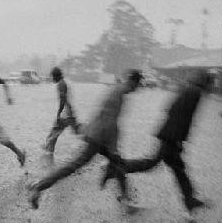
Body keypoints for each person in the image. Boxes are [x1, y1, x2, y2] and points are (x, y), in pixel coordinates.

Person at [27, 69, 144, 209]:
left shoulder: (117, 91)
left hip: (97, 134)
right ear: (133, 82)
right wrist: (114, 149)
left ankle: (125, 199)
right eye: (138, 85)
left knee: (117, 165)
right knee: (75, 165)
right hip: (99, 137)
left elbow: (105, 118)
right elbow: (110, 124)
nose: (137, 88)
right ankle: (38, 186)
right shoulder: (118, 95)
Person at [101, 69, 214, 213]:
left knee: (178, 168)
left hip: (169, 133)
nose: (211, 88)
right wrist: (179, 139)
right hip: (172, 136)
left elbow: (170, 109)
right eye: (211, 84)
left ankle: (190, 199)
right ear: (206, 82)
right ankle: (117, 168)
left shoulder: (187, 89)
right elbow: (185, 119)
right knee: (153, 163)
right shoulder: (196, 93)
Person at [43, 67, 82, 165]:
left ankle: (49, 164)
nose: (52, 79)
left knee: (51, 138)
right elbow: (67, 99)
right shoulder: (65, 82)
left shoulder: (61, 84)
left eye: (52, 77)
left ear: (55, 76)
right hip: (70, 114)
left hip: (65, 115)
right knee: (79, 133)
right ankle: (97, 144)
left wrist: (59, 114)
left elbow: (63, 100)